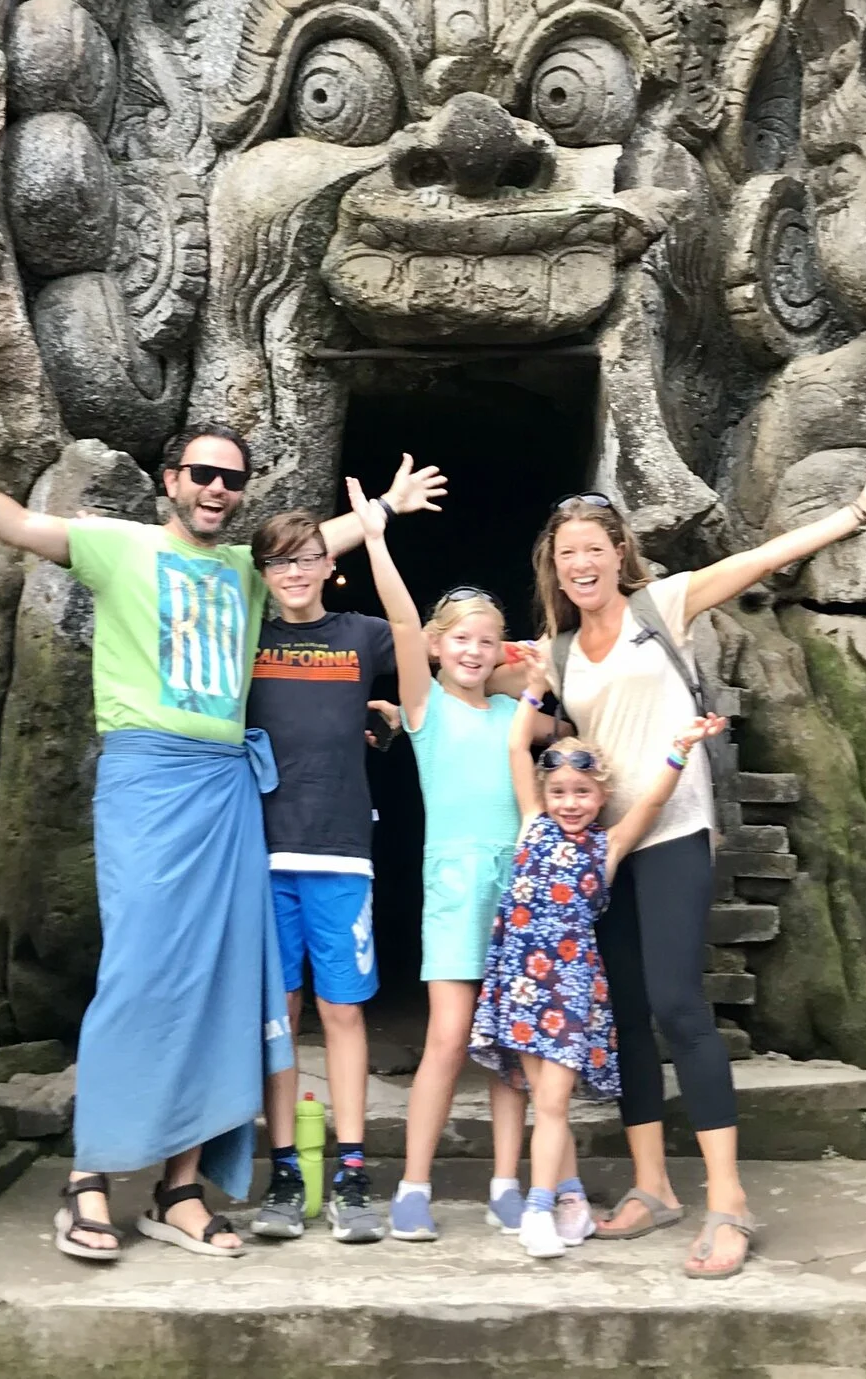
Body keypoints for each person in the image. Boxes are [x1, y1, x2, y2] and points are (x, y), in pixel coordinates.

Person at [0, 410, 444, 1264]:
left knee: (221, 986)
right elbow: (24, 526)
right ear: (170, 479)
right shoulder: (123, 545)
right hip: (148, 773)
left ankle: (180, 1186)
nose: (217, 489)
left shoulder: (250, 571)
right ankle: (89, 1178)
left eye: (231, 479)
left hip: (230, 786)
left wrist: (382, 512)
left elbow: (308, 548)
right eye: (202, 474)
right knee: (138, 973)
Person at [535, 462, 866, 1279]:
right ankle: (653, 1187)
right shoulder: (559, 649)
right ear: (556, 565)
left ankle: (729, 1201)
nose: (580, 563)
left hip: (675, 830)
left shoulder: (665, 604)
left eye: (592, 549)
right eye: (566, 553)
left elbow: (760, 559)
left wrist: (855, 513)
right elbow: (470, 673)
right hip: (603, 850)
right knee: (625, 1014)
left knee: (682, 1006)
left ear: (618, 552)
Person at [353, 487, 557, 1243]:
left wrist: (536, 664)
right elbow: (402, 622)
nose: (472, 652)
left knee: (511, 1041)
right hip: (454, 883)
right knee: (449, 1034)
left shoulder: (515, 717)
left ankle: (508, 1181)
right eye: (459, 640)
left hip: (520, 883)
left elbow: (577, 722)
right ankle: (413, 1184)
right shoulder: (424, 709)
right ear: (439, 646)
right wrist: (376, 538)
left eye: (487, 641)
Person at [468, 675, 727, 1260]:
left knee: (554, 1102)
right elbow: (516, 747)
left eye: (582, 792)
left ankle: (539, 1210)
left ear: (601, 795)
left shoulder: (605, 848)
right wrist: (535, 690)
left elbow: (656, 801)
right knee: (541, 1097)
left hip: (565, 988)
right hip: (519, 983)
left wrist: (679, 750)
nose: (569, 803)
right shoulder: (532, 823)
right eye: (558, 790)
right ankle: (572, 1199)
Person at [241, 490, 415, 1246]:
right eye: (281, 560)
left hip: (342, 852)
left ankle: (351, 1171)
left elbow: (414, 637)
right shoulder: (245, 633)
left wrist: (376, 534)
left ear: (328, 563)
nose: (298, 571)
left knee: (344, 1011)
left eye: (311, 556)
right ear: (264, 571)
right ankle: (284, 1170)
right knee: (281, 1018)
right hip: (260, 850)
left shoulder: (360, 635)